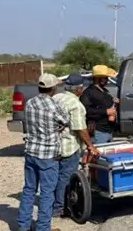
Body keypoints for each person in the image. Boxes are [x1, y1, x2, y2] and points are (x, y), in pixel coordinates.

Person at [18, 73, 70, 231]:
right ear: (53, 88)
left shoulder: (30, 102)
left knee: (29, 190)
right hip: (48, 155)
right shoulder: (54, 105)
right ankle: (43, 228)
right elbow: (66, 120)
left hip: (31, 151)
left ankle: (23, 226)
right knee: (47, 193)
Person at [52, 73, 99, 220]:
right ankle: (60, 208)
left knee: (55, 176)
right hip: (69, 146)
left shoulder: (55, 98)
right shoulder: (76, 104)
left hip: (53, 145)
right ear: (79, 89)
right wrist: (90, 146)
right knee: (65, 178)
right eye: (82, 87)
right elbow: (80, 128)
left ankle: (53, 204)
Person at [80, 65, 118, 144]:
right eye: (105, 77)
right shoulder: (88, 93)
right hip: (98, 131)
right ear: (97, 78)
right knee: (100, 154)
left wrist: (114, 102)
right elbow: (85, 110)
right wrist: (105, 112)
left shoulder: (105, 91)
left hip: (108, 130)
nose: (107, 80)